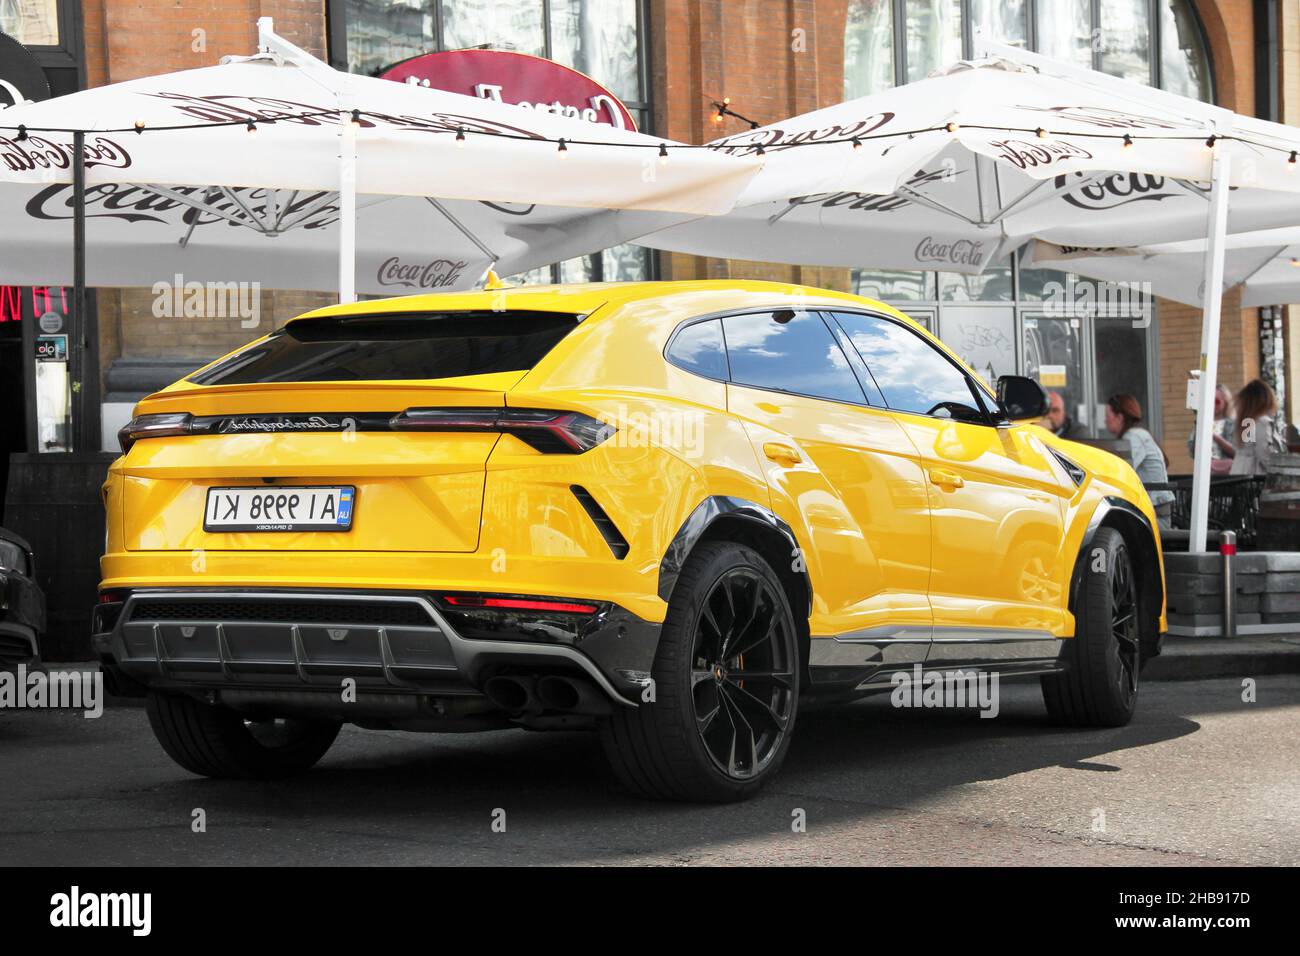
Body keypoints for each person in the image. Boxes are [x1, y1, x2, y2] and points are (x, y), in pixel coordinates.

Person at [1105, 393, 1174, 527]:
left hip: (1153, 515)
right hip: (1148, 511)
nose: (1105, 421)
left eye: (1107, 416)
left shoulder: (1133, 437)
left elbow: (1121, 473)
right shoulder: (1138, 434)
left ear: (1119, 418)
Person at [1230, 379, 1285, 476]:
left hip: (1238, 472)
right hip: (1255, 475)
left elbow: (1245, 447)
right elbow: (1263, 452)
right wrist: (1279, 471)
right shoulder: (1262, 422)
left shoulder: (1245, 422)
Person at [1186, 383, 1236, 476]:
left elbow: (1237, 453)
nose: (1213, 405)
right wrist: (1199, 429)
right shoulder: (1202, 423)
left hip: (1229, 476)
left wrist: (1214, 437)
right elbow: (1193, 453)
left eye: (1217, 401)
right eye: (1210, 401)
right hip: (1205, 475)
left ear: (1226, 402)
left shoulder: (1233, 424)